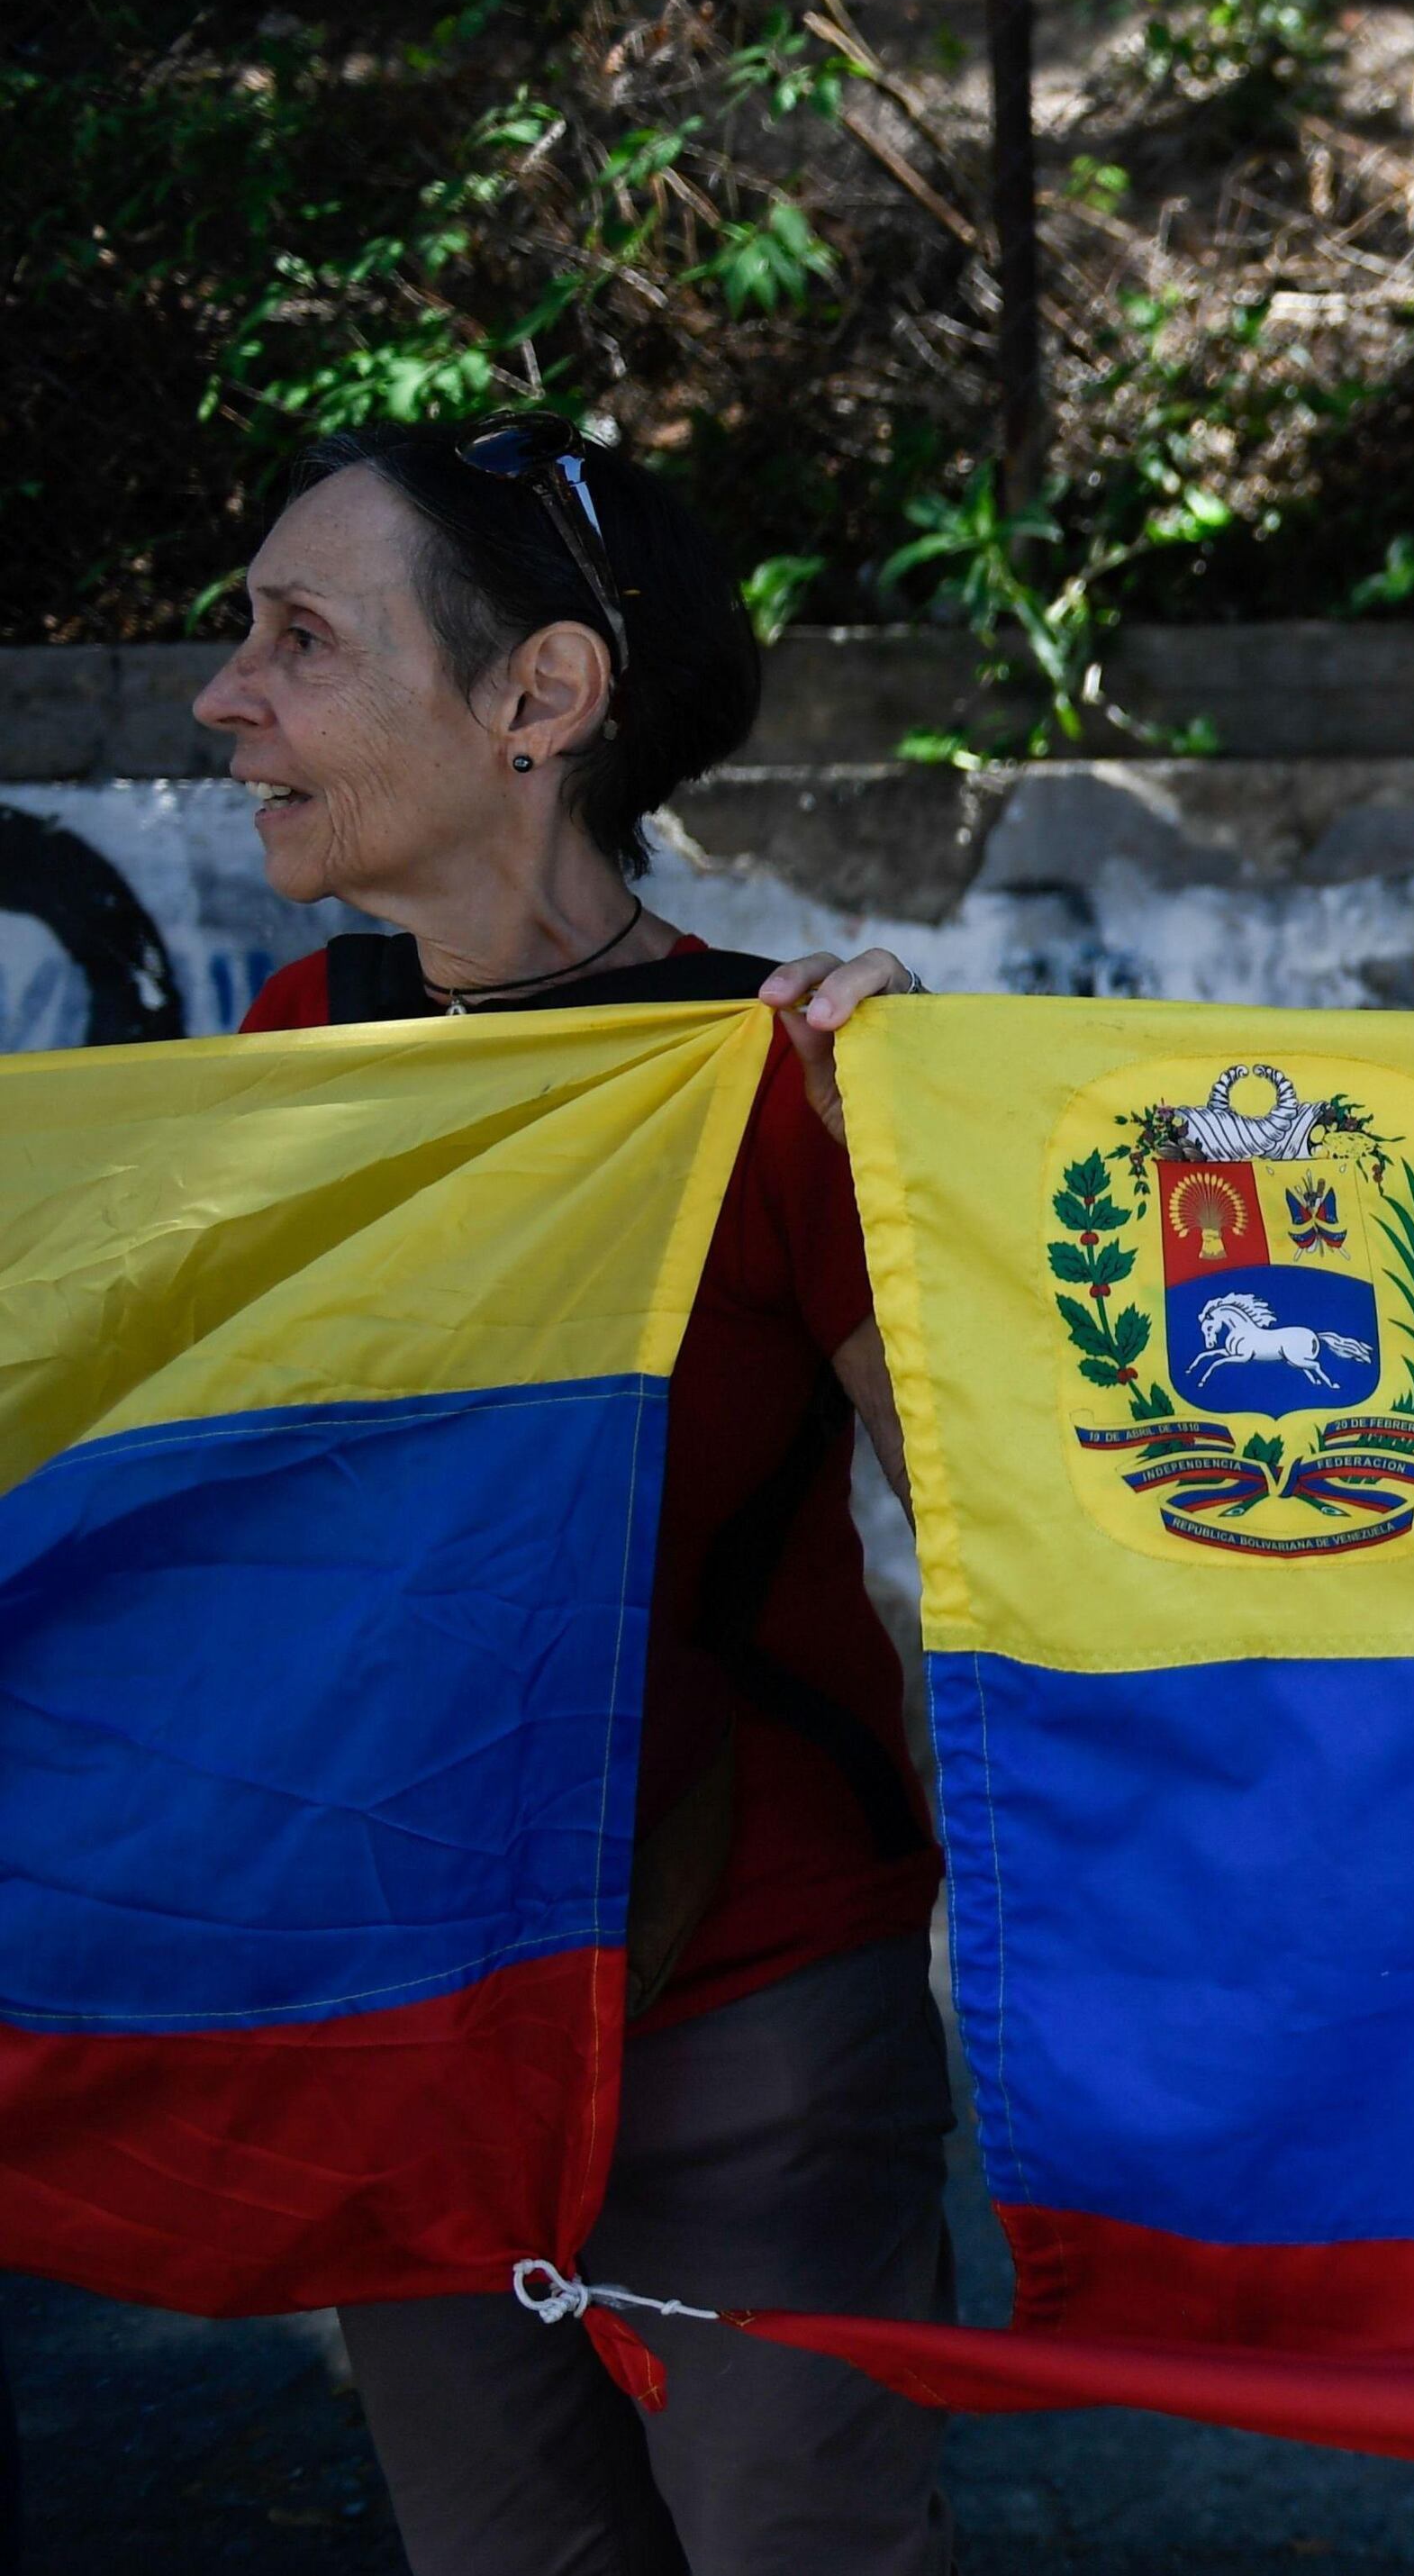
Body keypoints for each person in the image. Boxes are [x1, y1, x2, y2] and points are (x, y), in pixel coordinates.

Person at [195, 413, 946, 2575]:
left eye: (301, 638)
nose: (223, 695)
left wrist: (946, 1160)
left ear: (538, 697)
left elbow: (1014, 1549)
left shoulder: (788, 1078)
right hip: (421, 2016)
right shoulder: (280, 1049)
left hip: (746, 2027)